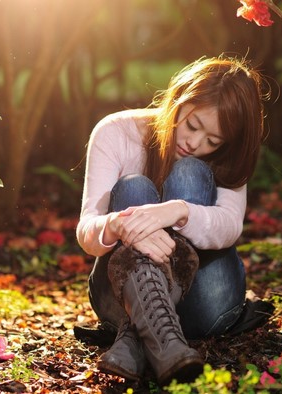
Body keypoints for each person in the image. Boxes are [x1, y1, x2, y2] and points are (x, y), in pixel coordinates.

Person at [75, 55, 270, 386]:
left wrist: (178, 211)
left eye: (213, 141)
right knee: (133, 187)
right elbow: (87, 230)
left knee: (191, 172)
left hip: (204, 304)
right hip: (118, 298)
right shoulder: (117, 132)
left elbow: (229, 226)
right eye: (193, 125)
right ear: (178, 99)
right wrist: (119, 225)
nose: (195, 143)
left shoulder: (225, 158)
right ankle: (165, 342)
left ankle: (135, 338)